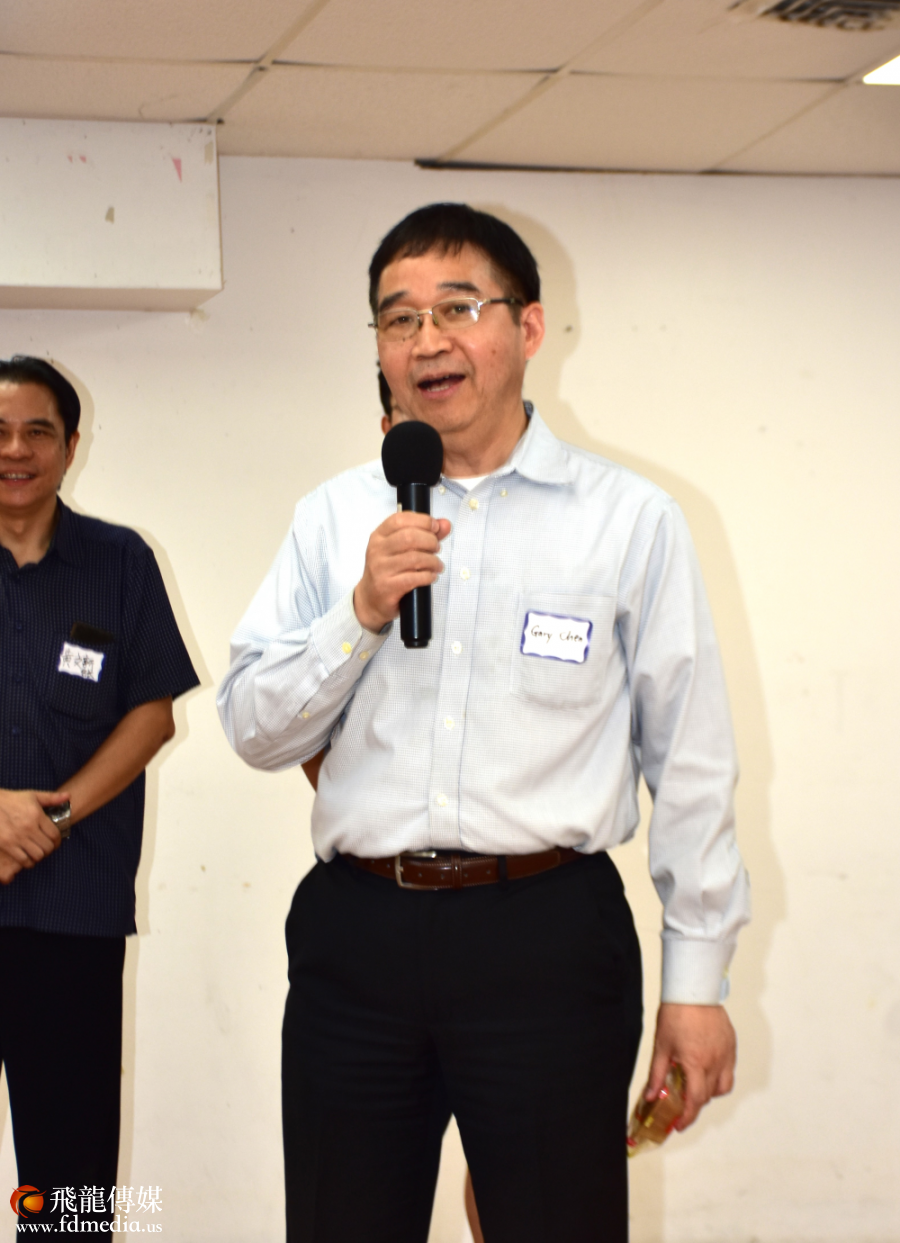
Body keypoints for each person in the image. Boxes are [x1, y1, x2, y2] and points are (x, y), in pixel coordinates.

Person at [218, 203, 750, 1243]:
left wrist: (697, 984)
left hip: (547, 936)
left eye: (457, 308)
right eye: (398, 318)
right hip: (357, 939)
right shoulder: (334, 517)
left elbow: (690, 760)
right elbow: (253, 728)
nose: (427, 341)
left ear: (529, 326)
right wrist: (360, 610)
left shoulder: (627, 519)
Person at [0, 357, 199, 1230]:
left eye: (37, 431)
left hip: (73, 913)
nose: (15, 449)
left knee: (70, 1186)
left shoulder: (120, 562)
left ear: (71, 446)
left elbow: (151, 714)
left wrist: (52, 815)